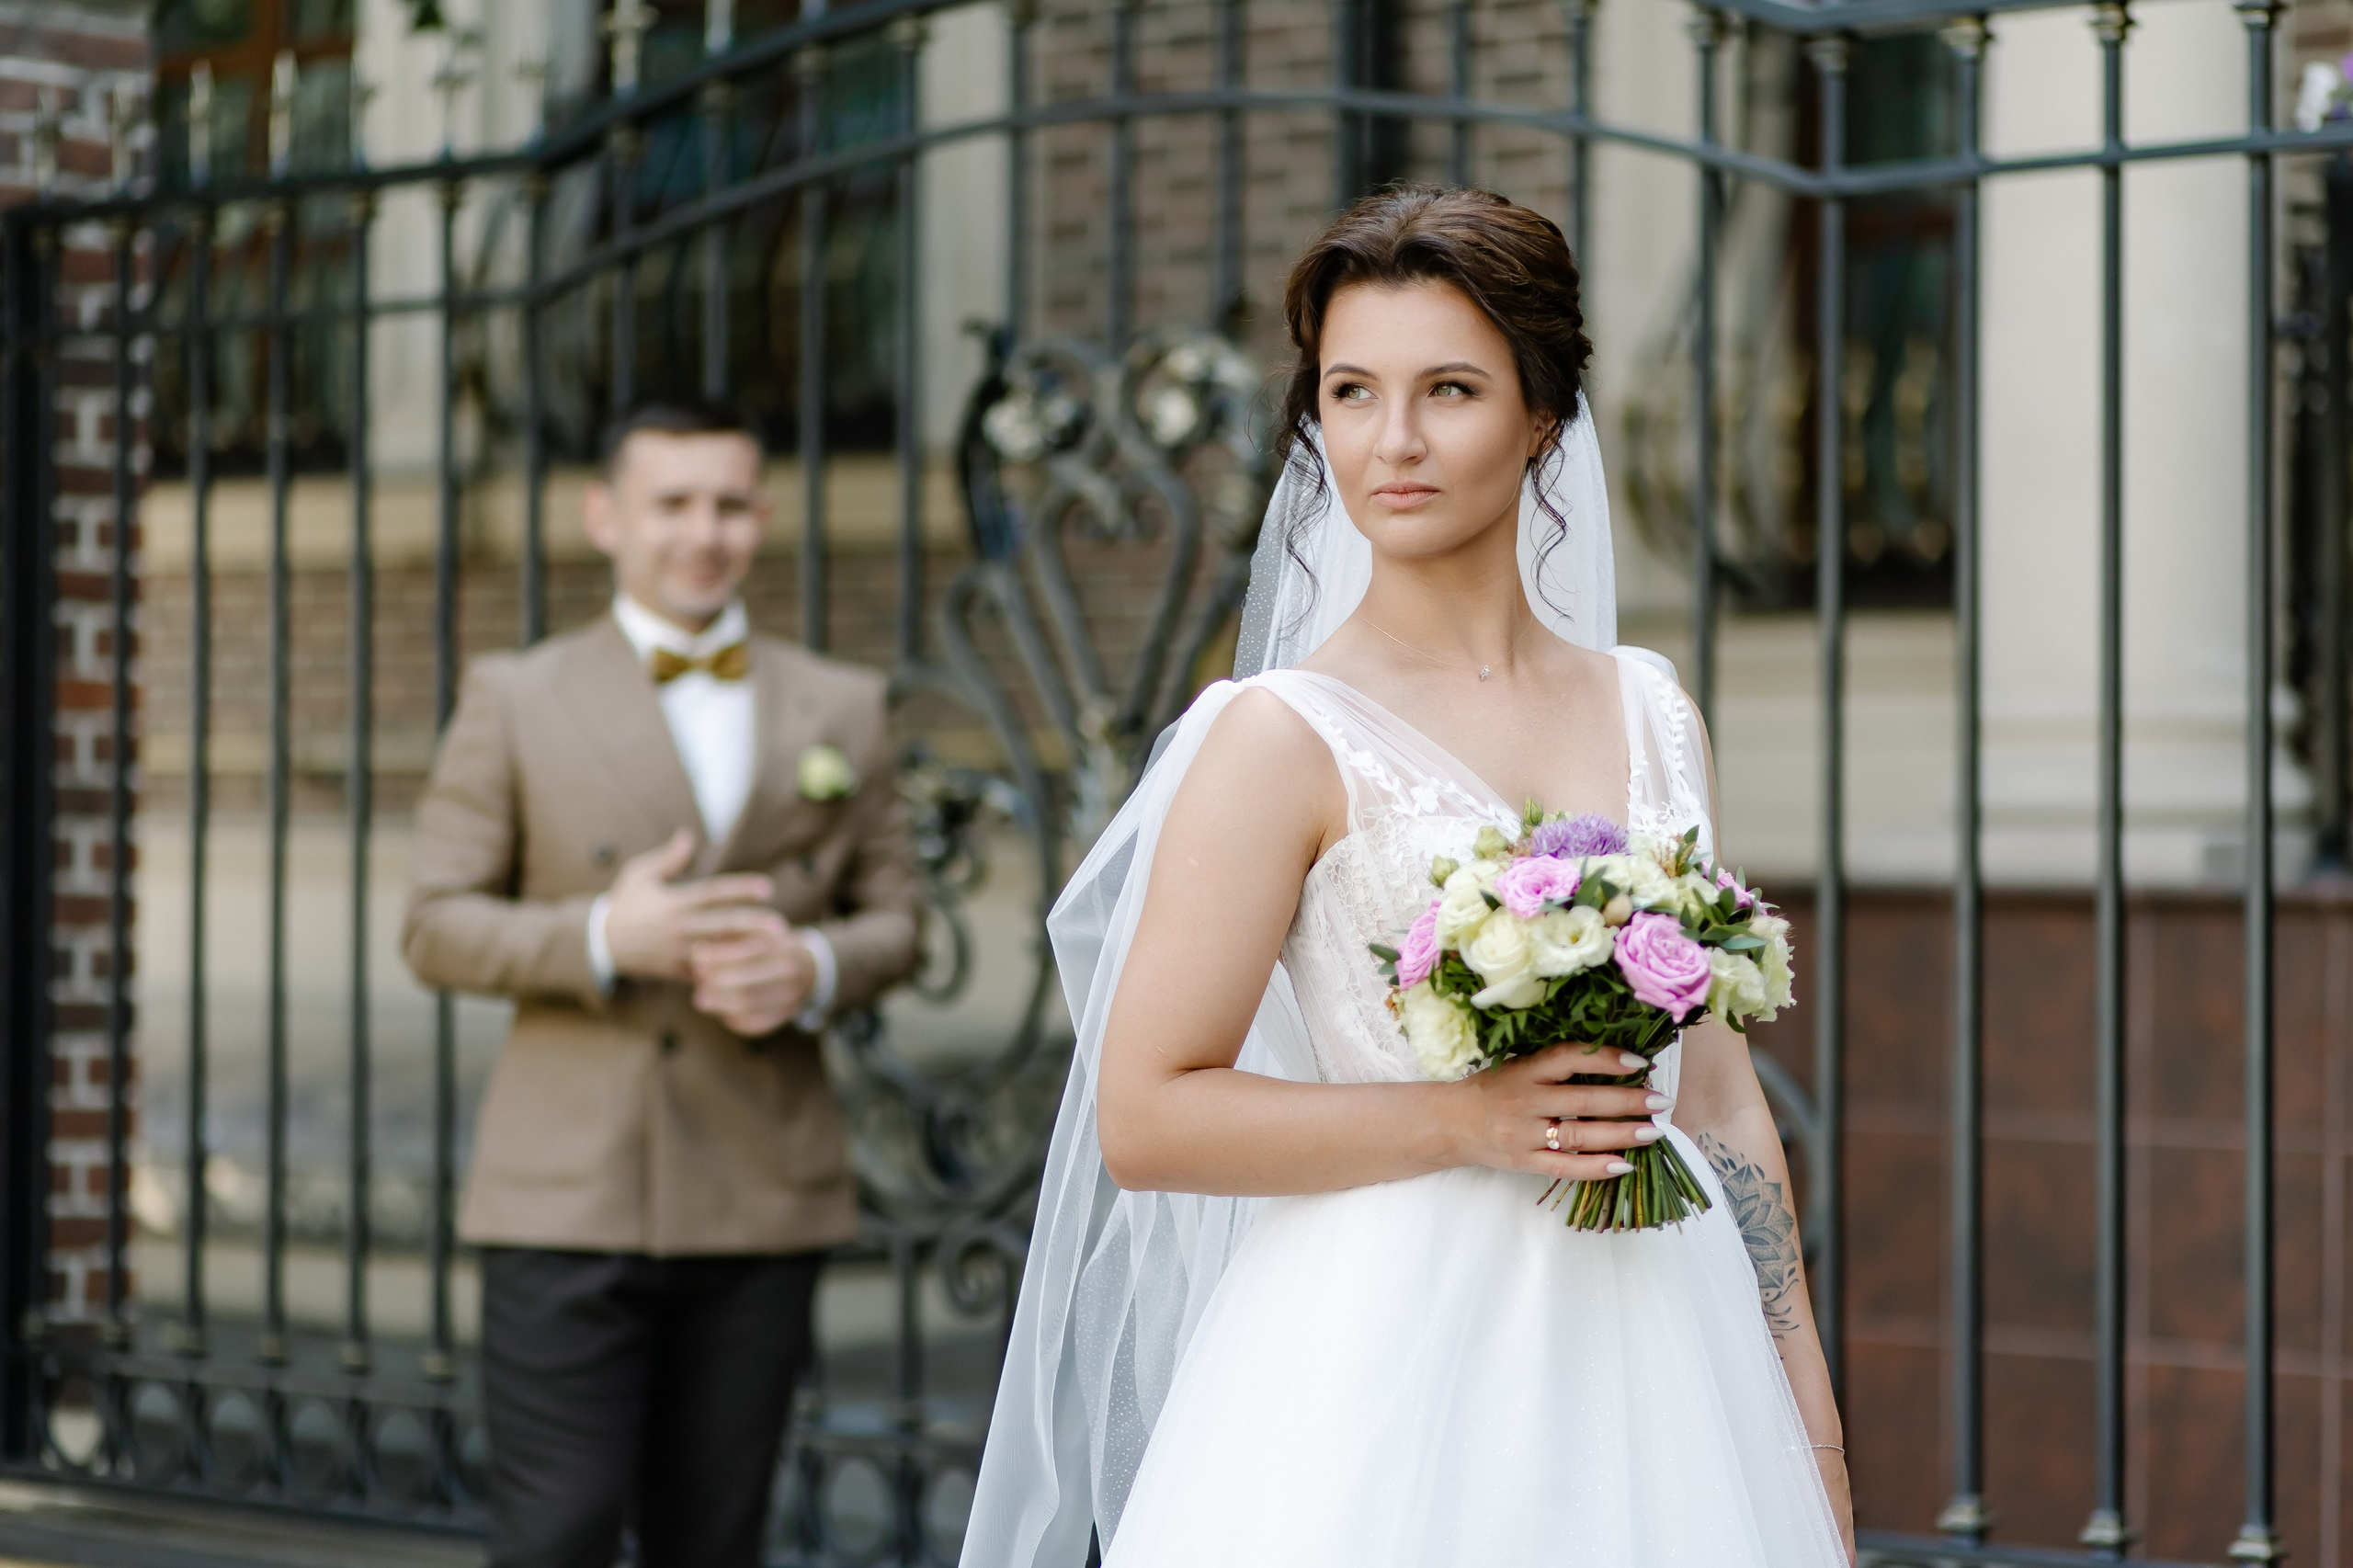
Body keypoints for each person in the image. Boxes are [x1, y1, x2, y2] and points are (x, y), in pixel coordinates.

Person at [961, 187, 1855, 1568]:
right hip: (1378, 1359)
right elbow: (1146, 1113)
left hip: (1665, 1349)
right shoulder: (1276, 736)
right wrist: (1469, 1120)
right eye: (1352, 392)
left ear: (1544, 413)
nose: (1394, 440)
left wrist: (1801, 1391)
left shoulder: (1653, 708)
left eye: (1450, 389)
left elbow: (1721, 1090)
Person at [402, 400, 921, 1568]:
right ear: (605, 517)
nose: (704, 531)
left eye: (730, 504)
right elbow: (432, 926)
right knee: (556, 1535)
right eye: (671, 504)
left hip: (761, 1186)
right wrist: (602, 934)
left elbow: (900, 921)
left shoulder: (839, 703)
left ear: (763, 516)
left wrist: (813, 966)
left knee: (716, 1539)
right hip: (565, 1196)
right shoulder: (517, 696)